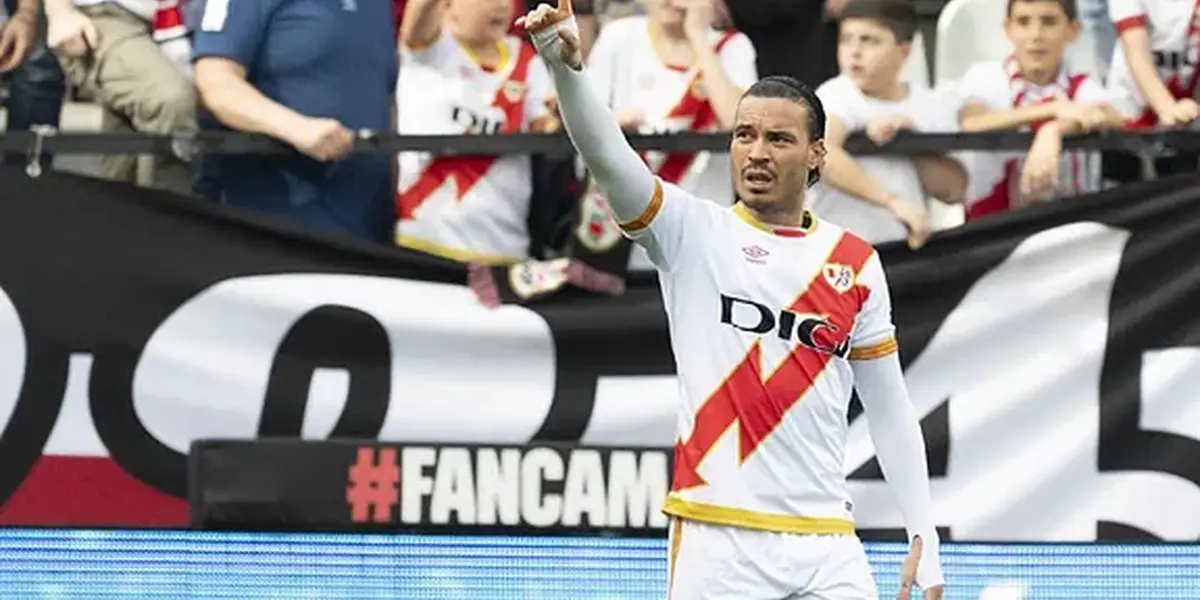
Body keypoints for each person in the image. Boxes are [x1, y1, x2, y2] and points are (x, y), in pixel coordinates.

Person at [518, 2, 944, 599]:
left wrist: (922, 532)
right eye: (744, 135)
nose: (757, 152)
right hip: (717, 540)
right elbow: (607, 156)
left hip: (828, 541)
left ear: (817, 155)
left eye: (778, 138)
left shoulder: (856, 262)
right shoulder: (692, 232)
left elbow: (891, 408)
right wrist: (566, 70)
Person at [192, 0, 398, 244]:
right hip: (275, 232)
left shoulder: (379, 6)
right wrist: (295, 128)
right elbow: (215, 83)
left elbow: (386, 98)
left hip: (373, 234)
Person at [585, 0, 756, 269]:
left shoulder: (732, 46)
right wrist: (612, 122)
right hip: (623, 239)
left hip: (701, 242)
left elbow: (740, 122)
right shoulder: (619, 37)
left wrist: (699, 36)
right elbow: (584, 118)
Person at [396, 0, 558, 263]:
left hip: (504, 247)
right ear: (449, 5)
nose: (502, 5)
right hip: (425, 242)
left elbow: (545, 126)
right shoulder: (429, 47)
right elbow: (418, 17)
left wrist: (561, 117)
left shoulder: (528, 62)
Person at [809, 0, 965, 249]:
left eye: (869, 40)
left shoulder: (930, 103)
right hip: (835, 255)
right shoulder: (834, 95)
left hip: (905, 253)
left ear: (904, 51)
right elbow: (823, 155)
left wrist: (909, 142)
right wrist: (891, 202)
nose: (854, 52)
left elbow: (953, 190)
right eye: (846, 39)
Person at [956, 0, 1121, 219]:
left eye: (1049, 22)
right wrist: (1051, 109)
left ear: (1073, 30)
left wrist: (1052, 131)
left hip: (1065, 227)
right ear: (1008, 29)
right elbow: (972, 123)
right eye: (1023, 22)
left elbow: (1108, 115)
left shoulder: (1081, 86)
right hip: (993, 230)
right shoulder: (985, 77)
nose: (1036, 35)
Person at [45, 0, 194, 193]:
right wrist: (59, 11)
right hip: (103, 14)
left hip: (174, 17)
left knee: (124, 155)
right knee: (169, 101)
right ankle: (169, 219)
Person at [1103, 0, 1200, 182]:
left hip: (1184, 117)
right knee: (1120, 198)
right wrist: (1167, 109)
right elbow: (1136, 53)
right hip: (1128, 111)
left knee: (1180, 196)